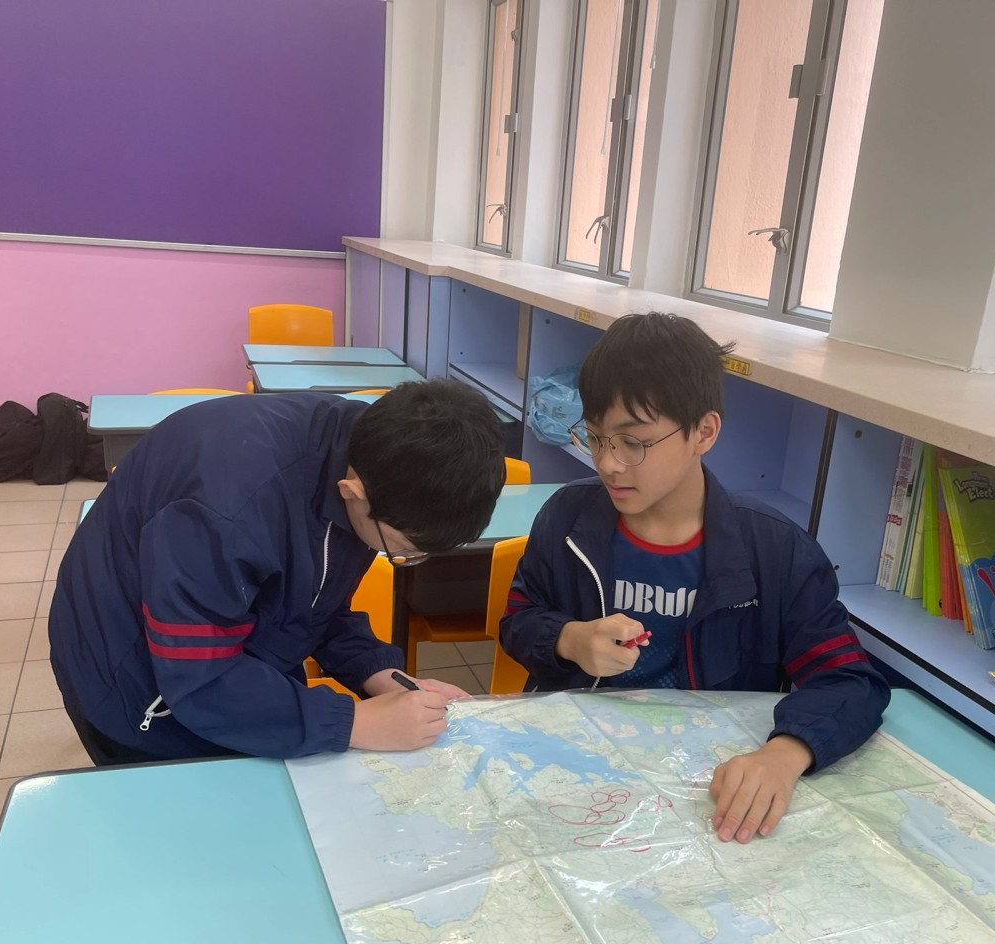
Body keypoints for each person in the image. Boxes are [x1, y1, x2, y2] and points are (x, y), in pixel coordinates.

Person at [500, 313, 890, 842]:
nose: (609, 463)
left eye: (633, 442)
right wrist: (570, 639)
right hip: (581, 774)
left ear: (703, 432)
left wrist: (786, 752)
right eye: (594, 437)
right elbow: (518, 621)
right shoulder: (566, 520)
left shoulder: (774, 550)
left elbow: (849, 681)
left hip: (706, 789)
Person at [51, 380, 505, 765]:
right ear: (354, 492)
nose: (403, 556)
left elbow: (316, 599)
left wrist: (381, 674)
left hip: (224, 657)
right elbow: (200, 678)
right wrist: (353, 722)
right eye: (402, 550)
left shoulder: (374, 457)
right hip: (131, 678)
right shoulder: (225, 508)